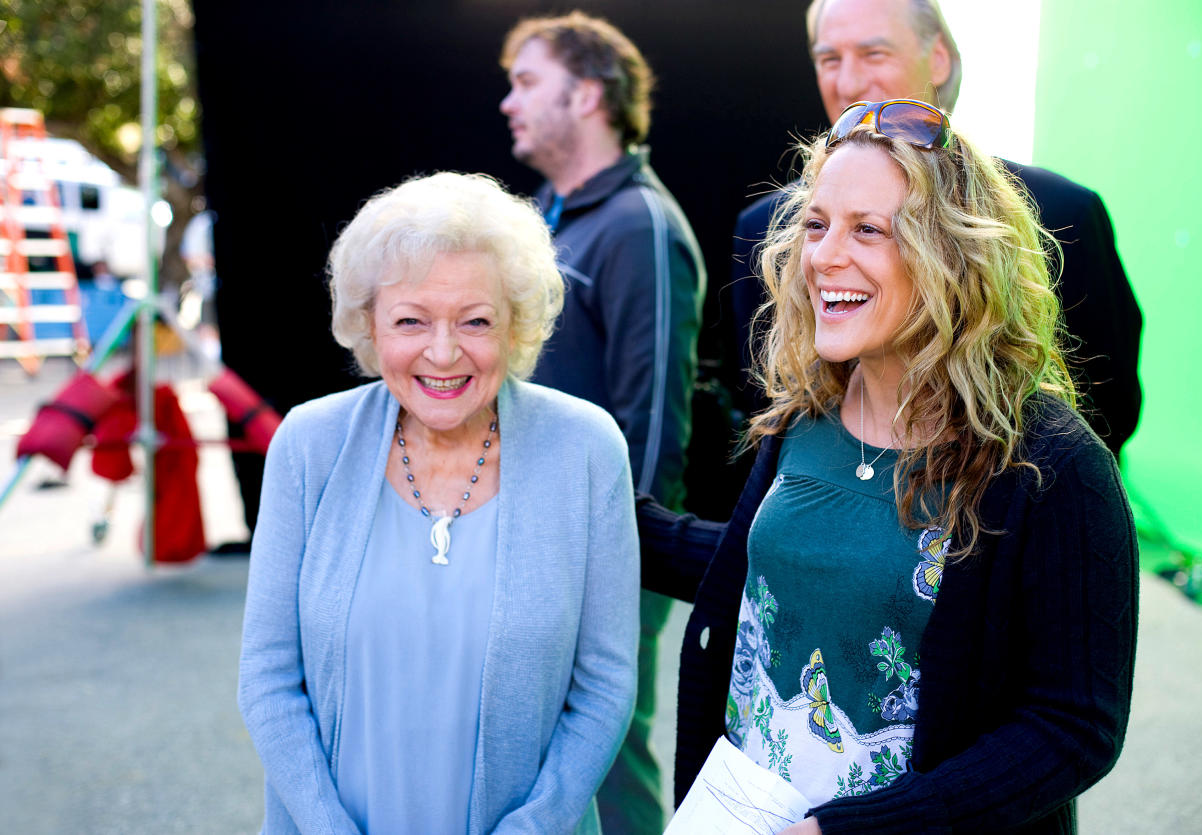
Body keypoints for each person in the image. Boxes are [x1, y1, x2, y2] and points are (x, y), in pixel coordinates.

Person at [641, 102, 1137, 832]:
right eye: (816, 225)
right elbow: (777, 567)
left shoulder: (1048, 463)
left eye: (867, 229)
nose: (824, 256)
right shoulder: (803, 414)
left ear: (951, 255)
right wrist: (601, 507)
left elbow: (1073, 725)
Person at [237, 172, 639, 834]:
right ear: (368, 324)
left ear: (515, 325)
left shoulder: (587, 449)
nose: (444, 352)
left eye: (475, 320)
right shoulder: (308, 445)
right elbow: (268, 678)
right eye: (411, 320)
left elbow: (604, 688)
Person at [728, 0, 1141, 460]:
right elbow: (765, 415)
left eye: (874, 53)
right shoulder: (766, 229)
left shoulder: (1062, 212)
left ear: (939, 58)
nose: (846, 83)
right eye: (830, 59)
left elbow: (1106, 411)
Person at [500, 12, 705, 832]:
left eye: (525, 82)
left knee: (608, 759)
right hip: (529, 538)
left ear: (587, 94)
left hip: (605, 556)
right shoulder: (545, 215)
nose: (508, 103)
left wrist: (621, 563)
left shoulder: (640, 225)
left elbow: (654, 420)